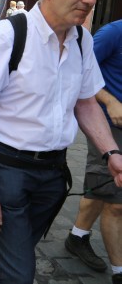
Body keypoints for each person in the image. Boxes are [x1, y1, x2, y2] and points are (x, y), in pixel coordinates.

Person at [0, 0, 122, 284]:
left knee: (8, 258)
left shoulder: (82, 40)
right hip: (8, 171)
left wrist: (111, 153)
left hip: (52, 175)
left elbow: (86, 102)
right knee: (20, 273)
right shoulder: (9, 35)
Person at [65, 19, 122, 283]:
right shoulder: (113, 33)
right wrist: (110, 101)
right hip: (108, 129)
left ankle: (77, 235)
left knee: (103, 189)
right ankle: (119, 271)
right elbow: (80, 72)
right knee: (115, 201)